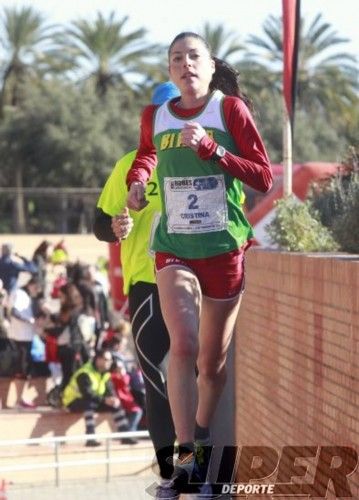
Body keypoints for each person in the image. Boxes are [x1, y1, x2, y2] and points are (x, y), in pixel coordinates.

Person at [126, 32, 273, 496]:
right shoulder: (156, 115)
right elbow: (148, 153)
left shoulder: (229, 111)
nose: (185, 64)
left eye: (193, 56)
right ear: (169, 70)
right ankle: (186, 462)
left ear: (210, 67)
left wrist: (213, 150)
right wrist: (138, 179)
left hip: (224, 248)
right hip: (174, 247)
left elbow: (264, 177)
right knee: (183, 346)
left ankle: (204, 435)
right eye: (176, 58)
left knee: (211, 364)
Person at [93, 82, 180, 493]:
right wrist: (115, 227)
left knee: (200, 376)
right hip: (147, 286)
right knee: (156, 382)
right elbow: (100, 223)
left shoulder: (200, 161)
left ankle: (199, 465)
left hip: (196, 281)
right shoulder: (129, 164)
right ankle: (168, 475)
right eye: (162, 116)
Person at [62, 349, 136, 446]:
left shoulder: (105, 373)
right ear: (98, 359)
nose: (109, 362)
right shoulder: (84, 373)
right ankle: (90, 437)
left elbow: (110, 390)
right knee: (89, 403)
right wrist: (105, 400)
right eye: (106, 359)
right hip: (71, 401)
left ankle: (126, 436)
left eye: (110, 360)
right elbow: (87, 393)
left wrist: (113, 399)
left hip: (93, 400)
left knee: (115, 405)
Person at [8, 276, 42, 381]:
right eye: (35, 288)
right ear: (30, 285)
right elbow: (15, 312)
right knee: (21, 361)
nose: (36, 291)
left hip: (26, 334)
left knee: (25, 359)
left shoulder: (27, 296)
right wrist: (29, 320)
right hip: (20, 334)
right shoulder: (20, 294)